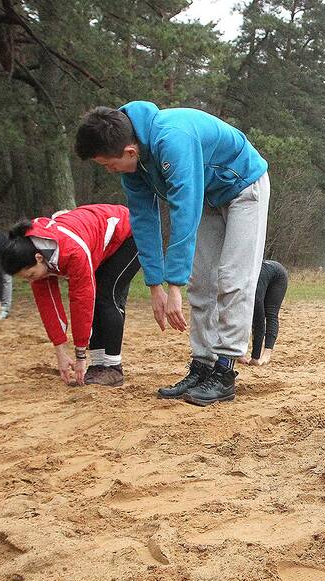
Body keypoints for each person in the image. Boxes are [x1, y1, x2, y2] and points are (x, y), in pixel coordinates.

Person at [74, 102, 269, 406]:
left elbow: (184, 211)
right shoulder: (135, 166)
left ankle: (225, 370)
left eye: (107, 164)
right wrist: (155, 285)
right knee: (202, 282)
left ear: (128, 152)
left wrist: (174, 283)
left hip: (244, 187)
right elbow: (144, 222)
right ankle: (202, 366)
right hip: (208, 196)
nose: (109, 170)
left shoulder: (172, 138)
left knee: (233, 278)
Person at [0, 205, 139, 387]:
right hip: (99, 244)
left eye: (30, 275)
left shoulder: (71, 251)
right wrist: (60, 351)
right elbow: (49, 308)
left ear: (39, 258)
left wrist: (80, 355)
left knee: (105, 295)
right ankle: (98, 366)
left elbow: (82, 300)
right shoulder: (32, 252)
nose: (31, 280)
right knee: (98, 296)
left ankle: (113, 368)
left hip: (130, 233)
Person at [240, 260, 289, 366]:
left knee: (270, 313)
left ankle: (266, 354)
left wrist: (255, 358)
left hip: (277, 277)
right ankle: (238, 351)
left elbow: (259, 321)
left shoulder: (254, 290)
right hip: (262, 276)